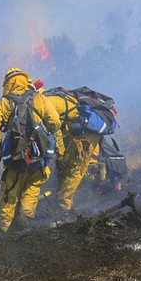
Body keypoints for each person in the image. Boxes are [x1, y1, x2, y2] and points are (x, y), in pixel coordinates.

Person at [0, 68, 62, 232]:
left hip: (16, 155)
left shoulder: (5, 102)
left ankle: (5, 229)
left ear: (7, 84)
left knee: (10, 190)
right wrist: (47, 136)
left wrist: (0, 148)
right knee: (34, 184)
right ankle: (25, 221)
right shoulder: (38, 98)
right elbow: (55, 121)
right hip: (38, 154)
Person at [42, 87, 105, 216]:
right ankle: (62, 199)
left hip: (87, 133)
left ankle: (64, 206)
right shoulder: (48, 99)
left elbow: (55, 130)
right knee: (67, 165)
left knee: (75, 168)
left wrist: (61, 153)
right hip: (76, 130)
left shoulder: (45, 104)